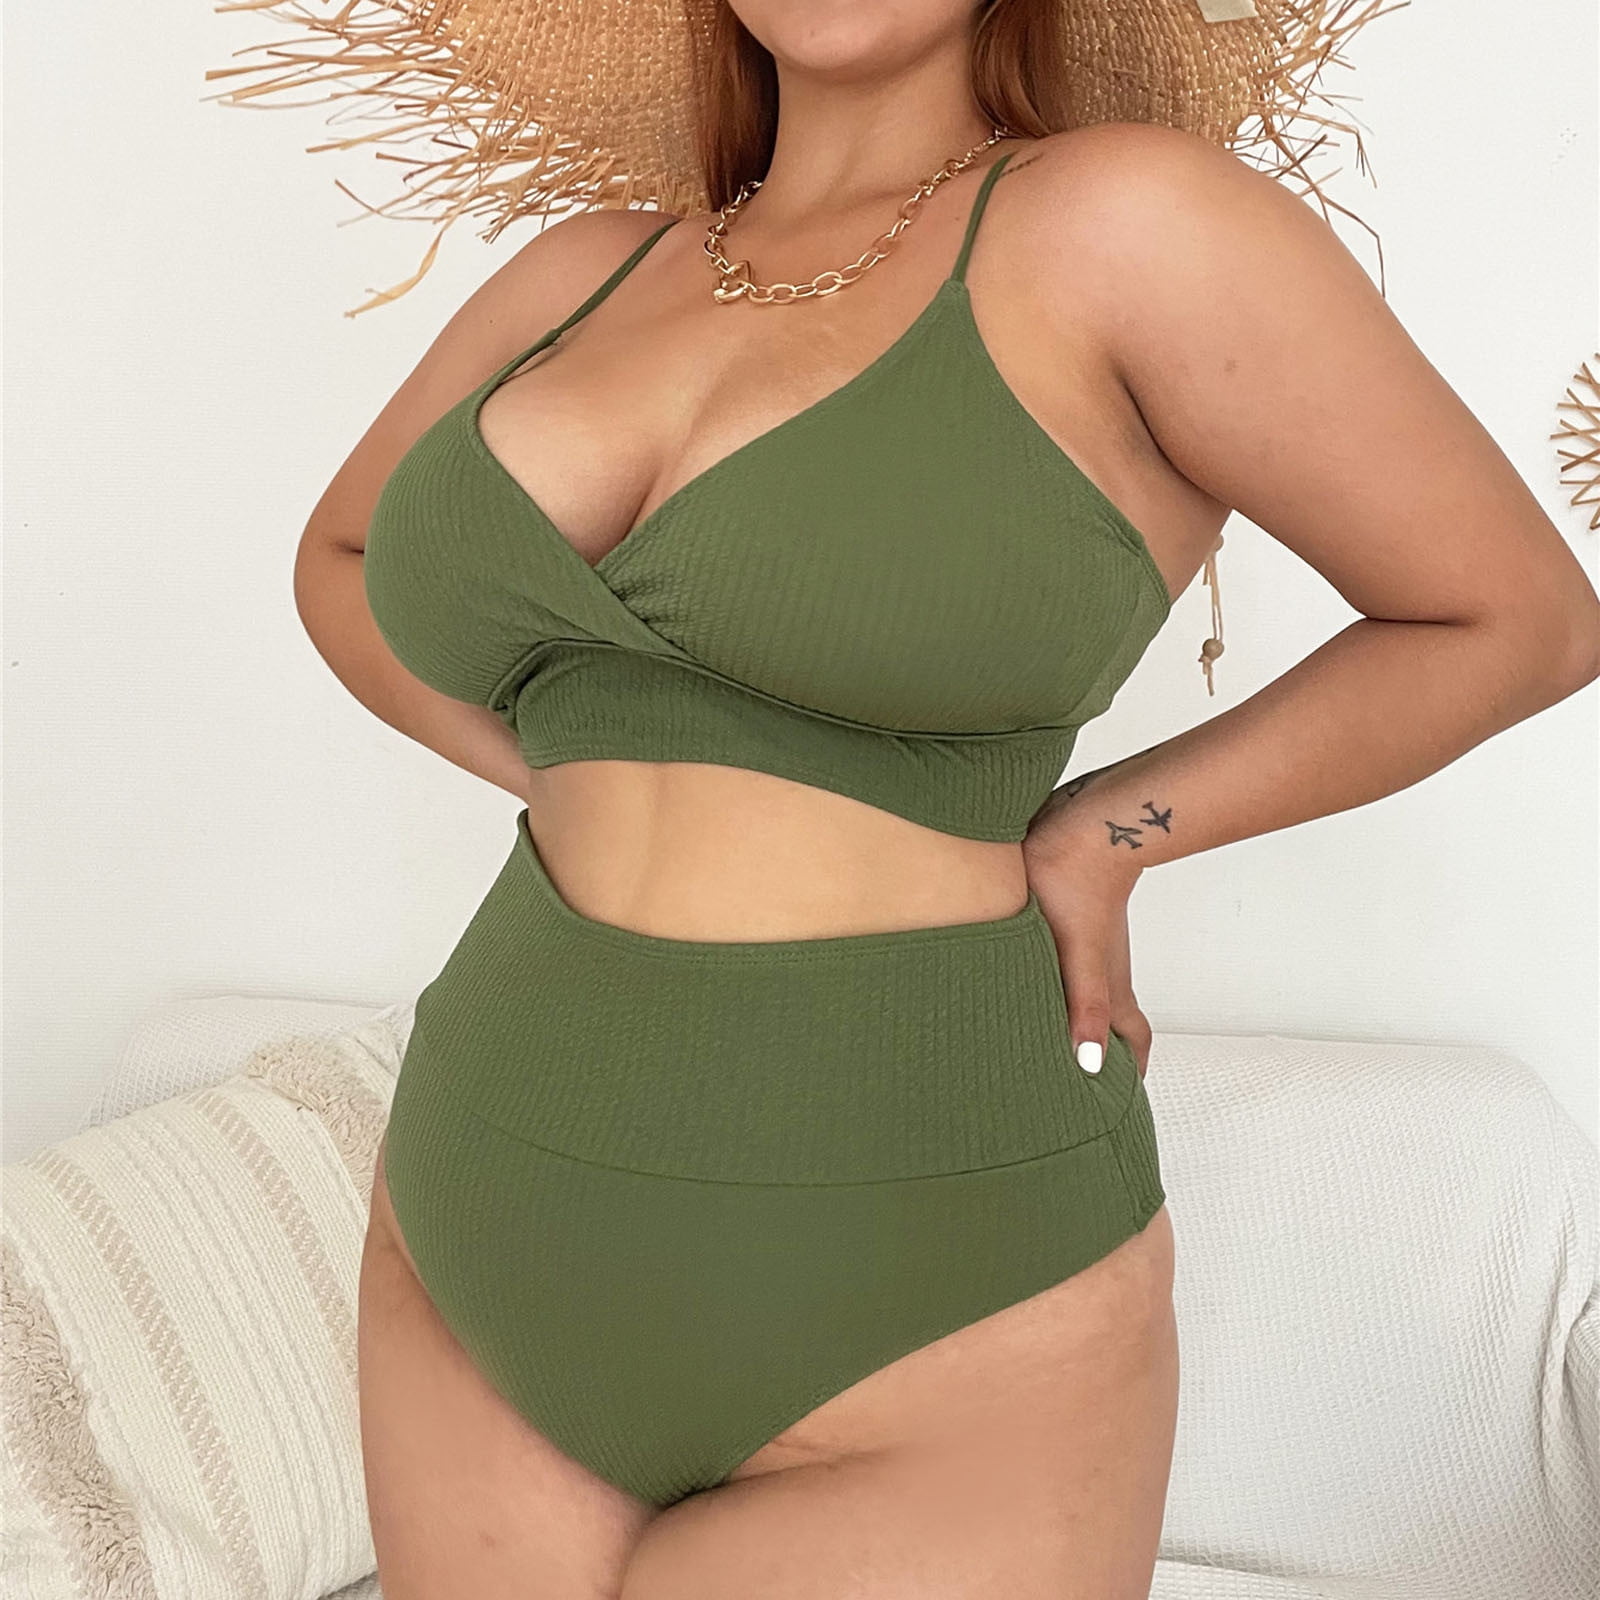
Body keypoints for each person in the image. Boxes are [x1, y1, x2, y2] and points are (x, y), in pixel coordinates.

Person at [279, 3, 1600, 1594]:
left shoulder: (1129, 224)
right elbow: (341, 559)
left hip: (933, 1278)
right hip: (488, 1201)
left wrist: (1107, 837)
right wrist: (577, 769)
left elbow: (1513, 619)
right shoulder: (581, 274)